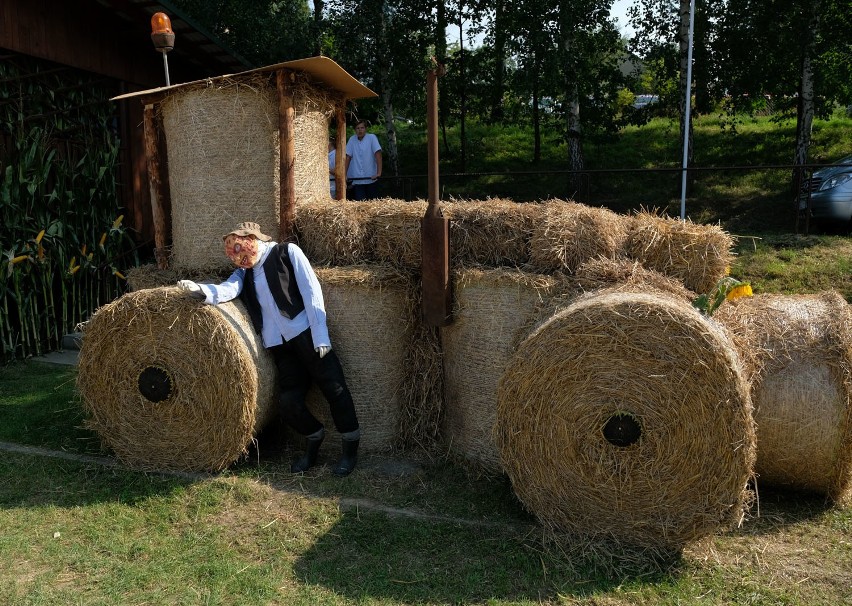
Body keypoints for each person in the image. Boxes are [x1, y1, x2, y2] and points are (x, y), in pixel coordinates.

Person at [177, 222, 360, 476]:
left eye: (240, 248)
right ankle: (313, 440)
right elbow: (228, 289)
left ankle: (349, 451)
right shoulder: (244, 273)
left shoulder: (286, 253)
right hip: (279, 345)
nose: (238, 257)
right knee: (288, 403)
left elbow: (311, 290)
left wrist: (320, 335)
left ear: (253, 239)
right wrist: (201, 291)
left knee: (335, 388)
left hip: (305, 333)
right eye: (232, 253)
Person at [344, 119, 382, 200]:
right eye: (358, 128)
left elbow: (378, 155)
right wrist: (344, 174)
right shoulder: (352, 139)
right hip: (358, 179)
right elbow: (348, 157)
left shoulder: (372, 138)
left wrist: (378, 173)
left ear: (365, 129)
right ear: (355, 130)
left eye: (362, 128)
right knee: (360, 204)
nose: (360, 130)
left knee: (373, 203)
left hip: (371, 177)